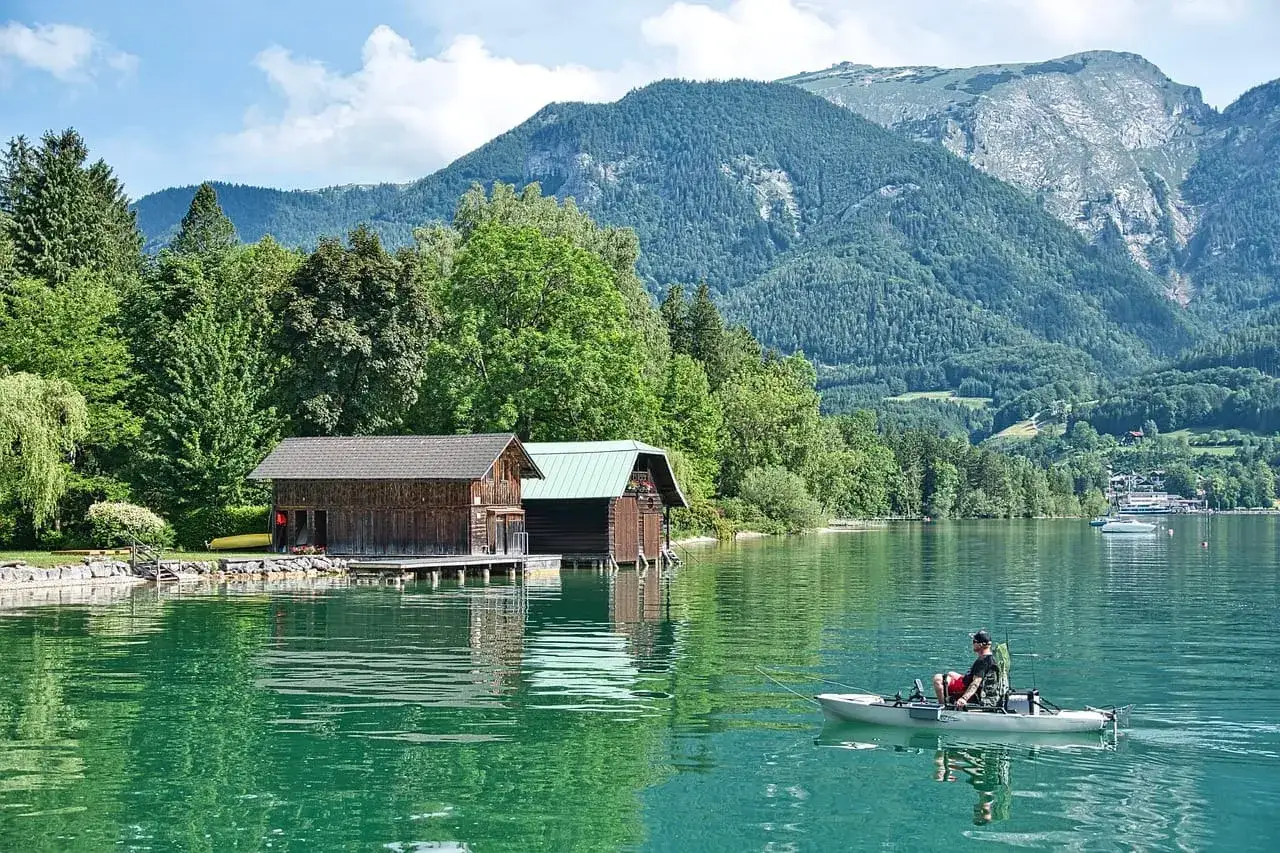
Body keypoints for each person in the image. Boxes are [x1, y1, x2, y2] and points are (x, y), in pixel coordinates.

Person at [932, 630, 998, 708]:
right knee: (951, 673)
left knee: (938, 679)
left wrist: (964, 698)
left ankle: (942, 706)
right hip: (967, 682)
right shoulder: (990, 658)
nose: (972, 644)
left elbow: (976, 683)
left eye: (974, 642)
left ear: (980, 645)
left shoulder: (983, 661)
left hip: (968, 690)